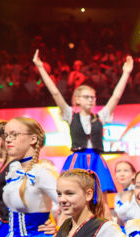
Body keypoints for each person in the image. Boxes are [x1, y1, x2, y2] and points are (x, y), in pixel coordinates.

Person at [33, 50, 133, 193]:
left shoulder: (100, 117)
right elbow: (55, 93)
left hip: (96, 160)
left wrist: (126, 73)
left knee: (100, 196)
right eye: (87, 97)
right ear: (77, 99)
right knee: (73, 193)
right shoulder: (71, 115)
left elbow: (116, 97)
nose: (91, 100)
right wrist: (40, 67)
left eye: (93, 97)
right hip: (77, 159)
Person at [113, 160, 140, 226]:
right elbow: (119, 222)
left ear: (133, 174)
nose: (122, 174)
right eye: (118, 171)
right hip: (125, 230)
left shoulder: (138, 193)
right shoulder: (118, 196)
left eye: (126, 171)